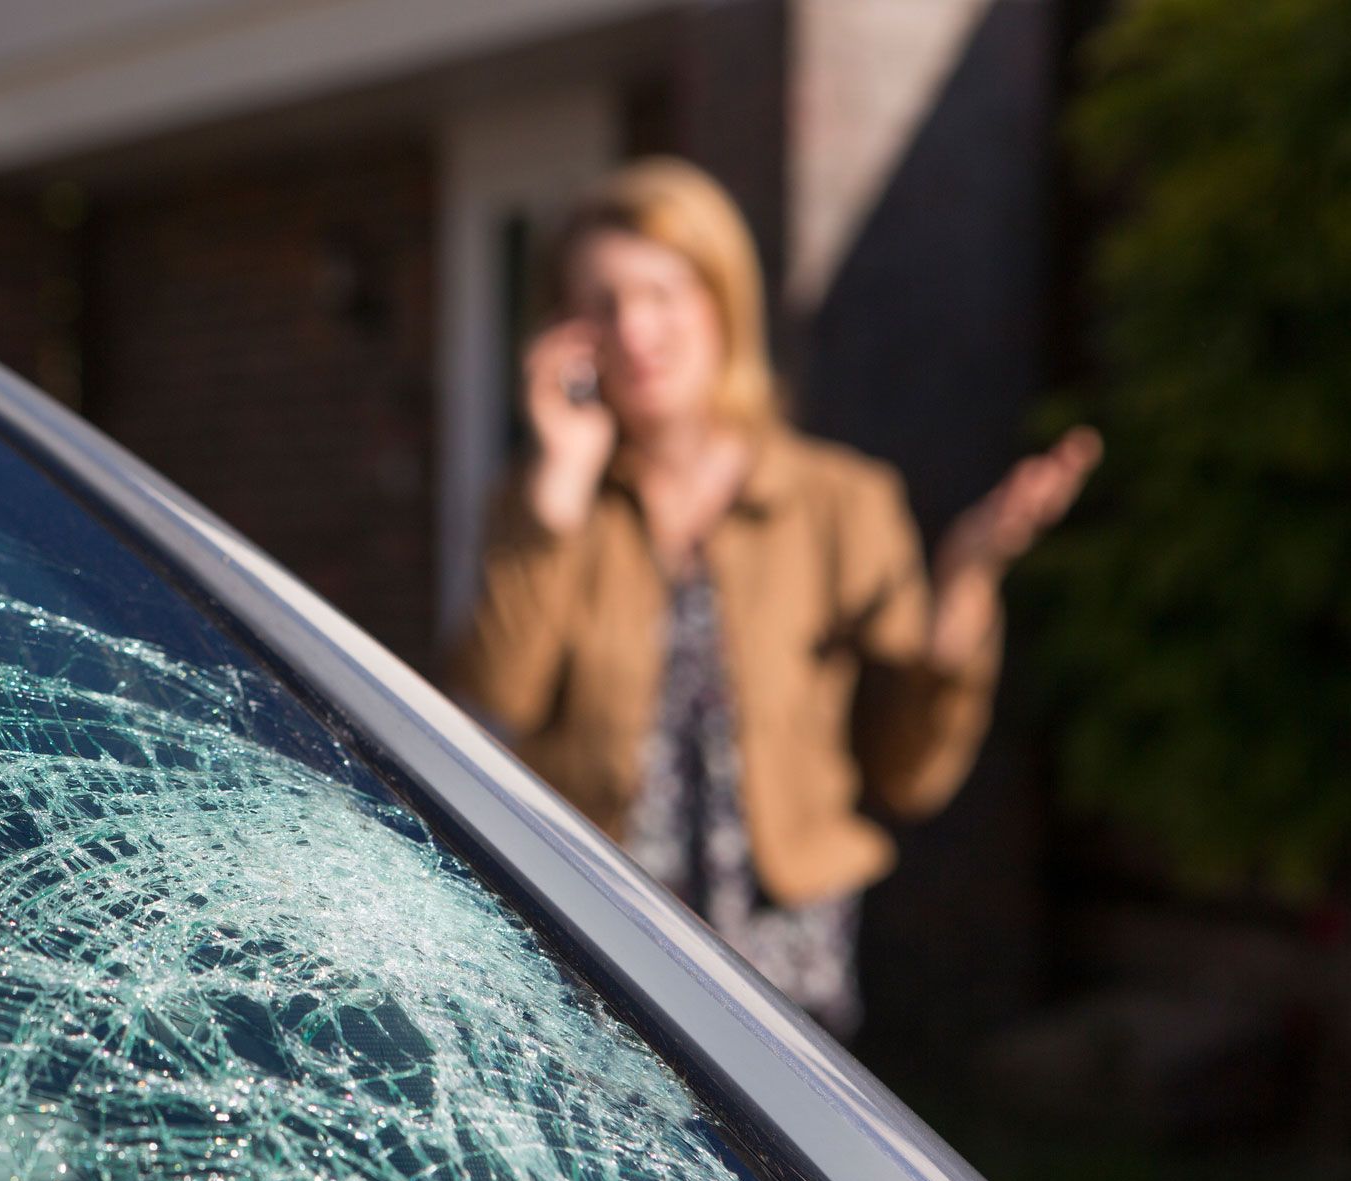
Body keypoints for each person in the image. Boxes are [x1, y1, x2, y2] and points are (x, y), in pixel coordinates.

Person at [448, 157, 1100, 1036]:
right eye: (600, 302)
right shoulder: (542, 506)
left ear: (721, 301)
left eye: (662, 292)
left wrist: (967, 580)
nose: (634, 328)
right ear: (566, 332)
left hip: (787, 976)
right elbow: (489, 711)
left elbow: (910, 770)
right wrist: (556, 496)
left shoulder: (842, 501)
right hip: (588, 957)